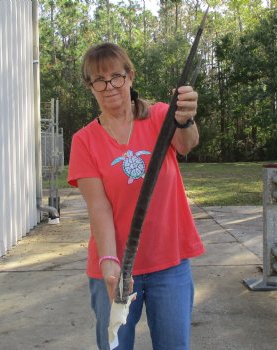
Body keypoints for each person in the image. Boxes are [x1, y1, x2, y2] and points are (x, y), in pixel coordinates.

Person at [68, 42, 205, 350]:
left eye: (116, 76)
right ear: (90, 86)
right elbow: (98, 207)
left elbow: (186, 144)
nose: (109, 86)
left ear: (130, 76)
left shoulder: (158, 115)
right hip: (115, 267)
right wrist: (108, 261)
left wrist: (184, 118)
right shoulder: (84, 141)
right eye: (98, 80)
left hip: (169, 262)